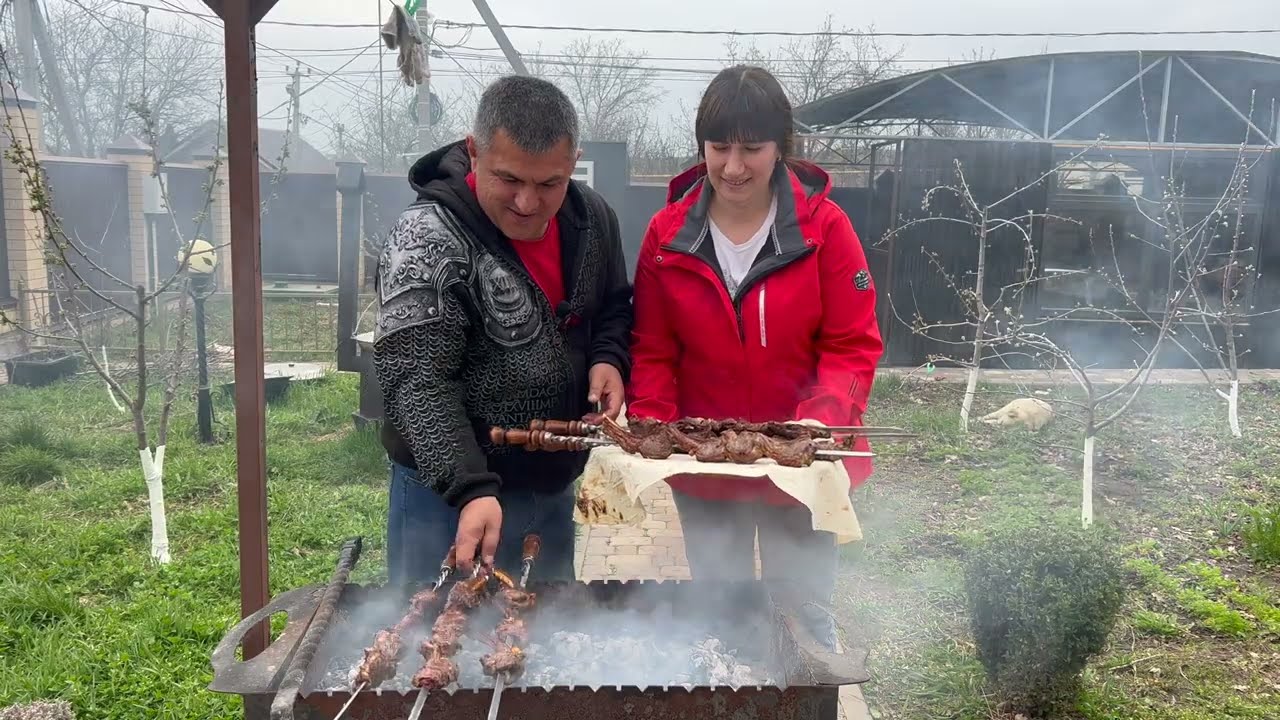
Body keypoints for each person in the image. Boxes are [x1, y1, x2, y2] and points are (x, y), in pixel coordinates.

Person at [625, 65, 884, 649]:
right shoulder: (667, 236)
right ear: (701, 146)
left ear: (781, 149)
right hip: (706, 463)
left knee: (808, 616)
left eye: (752, 148)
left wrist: (819, 423)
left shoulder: (825, 229)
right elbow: (655, 348)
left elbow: (851, 344)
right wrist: (653, 425)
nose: (733, 167)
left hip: (802, 466)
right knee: (721, 616)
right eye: (719, 147)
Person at [372, 75, 633, 585]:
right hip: (445, 495)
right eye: (509, 179)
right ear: (474, 152)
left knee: (537, 645)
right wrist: (469, 487)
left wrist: (609, 358)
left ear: (572, 162)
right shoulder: (425, 238)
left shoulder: (593, 218)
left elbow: (614, 309)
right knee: (429, 644)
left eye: (548, 183)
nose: (527, 203)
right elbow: (416, 378)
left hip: (551, 488)